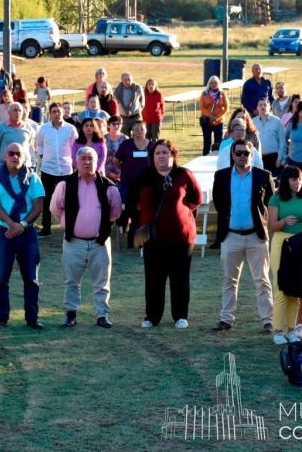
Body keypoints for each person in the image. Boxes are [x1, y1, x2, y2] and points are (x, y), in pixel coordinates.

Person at [129, 139, 202, 328]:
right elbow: (133, 202)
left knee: (180, 278)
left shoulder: (184, 175)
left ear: (173, 155)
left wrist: (179, 215)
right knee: (154, 279)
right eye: (158, 153)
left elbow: (196, 200)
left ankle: (180, 316)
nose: (162, 156)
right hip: (153, 238)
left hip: (181, 238)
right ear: (152, 157)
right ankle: (152, 316)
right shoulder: (144, 176)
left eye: (166, 152)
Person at [51, 146, 123, 329]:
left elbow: (115, 211)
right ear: (76, 162)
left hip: (100, 242)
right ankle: (70, 314)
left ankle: (102, 314)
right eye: (83, 158)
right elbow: (55, 209)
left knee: (102, 282)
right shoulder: (65, 185)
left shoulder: (109, 186)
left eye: (91, 158)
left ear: (97, 161)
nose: (87, 162)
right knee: (71, 281)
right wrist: (71, 223)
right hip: (74, 242)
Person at [211, 140, 275, 332]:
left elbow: (271, 203)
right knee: (229, 279)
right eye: (238, 153)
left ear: (252, 155)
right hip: (231, 236)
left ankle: (268, 321)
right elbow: (218, 202)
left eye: (246, 153)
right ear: (232, 155)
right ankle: (226, 319)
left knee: (262, 280)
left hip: (256, 236)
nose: (242, 156)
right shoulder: (221, 176)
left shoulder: (263, 176)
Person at [0, 142, 46, 330]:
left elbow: (38, 205)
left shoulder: (33, 178)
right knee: (1, 277)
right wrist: (12, 225)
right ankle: (1, 317)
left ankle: (32, 317)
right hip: (4, 231)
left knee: (31, 278)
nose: (15, 157)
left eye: (18, 153)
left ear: (24, 156)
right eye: (11, 153)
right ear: (5, 156)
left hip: (26, 232)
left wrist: (22, 225)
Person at [267, 166, 302, 345]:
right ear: (286, 181)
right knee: (280, 287)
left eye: (300, 179)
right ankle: (278, 330)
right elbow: (272, 225)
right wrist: (283, 221)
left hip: (300, 244)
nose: (297, 182)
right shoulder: (276, 198)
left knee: (295, 289)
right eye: (294, 179)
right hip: (281, 243)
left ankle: (292, 328)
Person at [36, 103, 78, 237]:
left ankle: (69, 228)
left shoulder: (71, 129)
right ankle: (46, 228)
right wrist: (45, 158)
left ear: (63, 112)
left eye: (58, 111)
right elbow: (39, 146)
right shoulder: (43, 129)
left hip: (65, 169)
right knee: (47, 199)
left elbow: (74, 147)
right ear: (50, 113)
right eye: (53, 111)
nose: (56, 114)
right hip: (48, 168)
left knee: (68, 200)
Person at [0, 103, 36, 169]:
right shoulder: (0, 128)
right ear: (9, 112)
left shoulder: (28, 128)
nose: (17, 112)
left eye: (20, 110)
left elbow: (31, 148)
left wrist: (31, 164)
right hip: (5, 167)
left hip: (24, 167)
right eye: (15, 110)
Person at [253, 98, 286, 171]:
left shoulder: (277, 121)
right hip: (258, 157)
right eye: (260, 105)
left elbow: (282, 141)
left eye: (265, 104)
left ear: (269, 107)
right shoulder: (253, 122)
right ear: (257, 108)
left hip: (274, 158)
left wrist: (280, 158)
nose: (263, 107)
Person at [199, 76, 229, 156]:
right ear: (208, 84)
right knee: (207, 142)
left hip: (218, 122)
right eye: (211, 83)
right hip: (207, 121)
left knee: (218, 142)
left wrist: (217, 117)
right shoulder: (204, 94)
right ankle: (205, 158)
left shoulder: (222, 94)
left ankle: (218, 158)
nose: (213, 84)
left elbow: (226, 108)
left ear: (218, 83)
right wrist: (210, 116)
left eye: (215, 83)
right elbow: (202, 107)